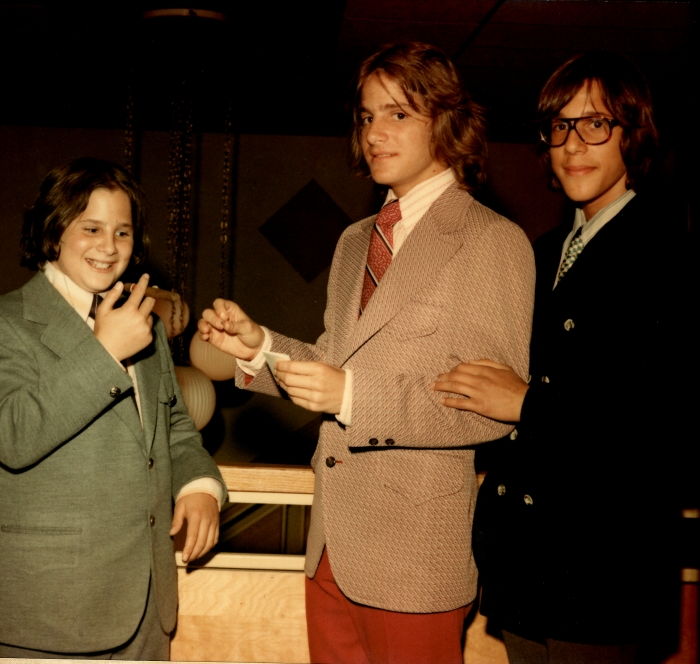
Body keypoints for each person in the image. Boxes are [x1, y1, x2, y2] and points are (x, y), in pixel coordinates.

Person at [198, 42, 534, 664]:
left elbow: (490, 411)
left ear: (446, 120)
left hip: (414, 563)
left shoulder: (492, 240)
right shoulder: (357, 240)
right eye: (366, 115)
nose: (375, 133)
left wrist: (352, 395)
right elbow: (334, 363)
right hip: (330, 547)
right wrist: (260, 347)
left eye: (398, 114)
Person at [434, 52, 691, 663]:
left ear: (633, 133)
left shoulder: (669, 255)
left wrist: (528, 403)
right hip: (528, 568)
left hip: (605, 572)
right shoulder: (543, 251)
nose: (574, 145)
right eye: (560, 126)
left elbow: (663, 423)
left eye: (596, 124)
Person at [0, 157, 226, 659]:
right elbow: (11, 435)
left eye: (122, 232)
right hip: (49, 612)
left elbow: (172, 424)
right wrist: (105, 352)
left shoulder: (144, 323)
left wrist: (199, 486)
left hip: (147, 610)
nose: (109, 246)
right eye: (91, 228)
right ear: (53, 231)